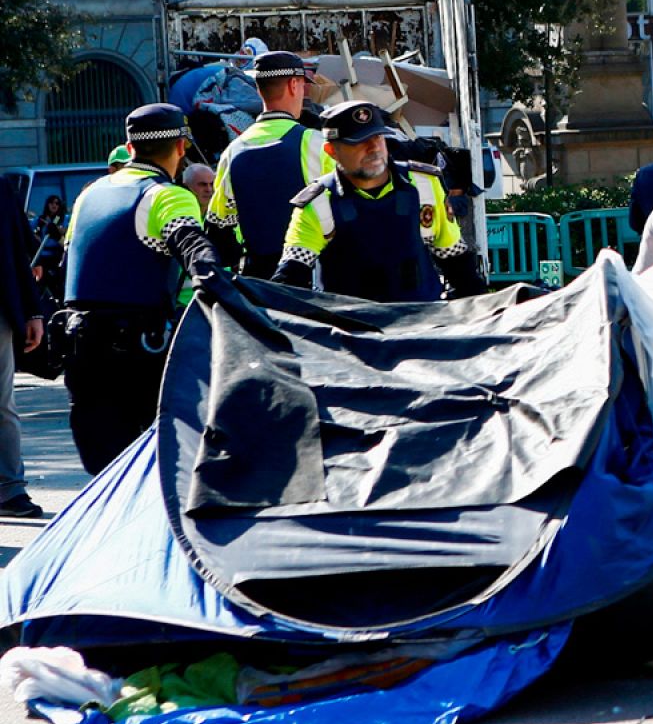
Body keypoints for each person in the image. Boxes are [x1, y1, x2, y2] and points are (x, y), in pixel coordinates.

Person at [58, 103, 226, 475]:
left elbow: (67, 261)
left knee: (104, 473)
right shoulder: (167, 194)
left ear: (130, 146)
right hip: (139, 355)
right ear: (181, 147)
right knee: (157, 470)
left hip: (81, 349)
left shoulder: (90, 193)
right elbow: (192, 247)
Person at [272, 100, 487, 302]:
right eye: (359, 142)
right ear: (332, 151)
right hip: (353, 333)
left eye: (378, 137)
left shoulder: (424, 185)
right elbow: (290, 278)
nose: (373, 148)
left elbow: (457, 263)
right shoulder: (318, 203)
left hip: (422, 329)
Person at [208, 51, 330, 278]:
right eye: (303, 85)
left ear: (258, 88)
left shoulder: (232, 152)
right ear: (294, 85)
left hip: (259, 284)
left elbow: (220, 229)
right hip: (310, 281)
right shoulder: (316, 143)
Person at [0, 180, 45, 517]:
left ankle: (10, 489)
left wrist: (32, 311)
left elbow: (20, 253)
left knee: (2, 406)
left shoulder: (2, 190)